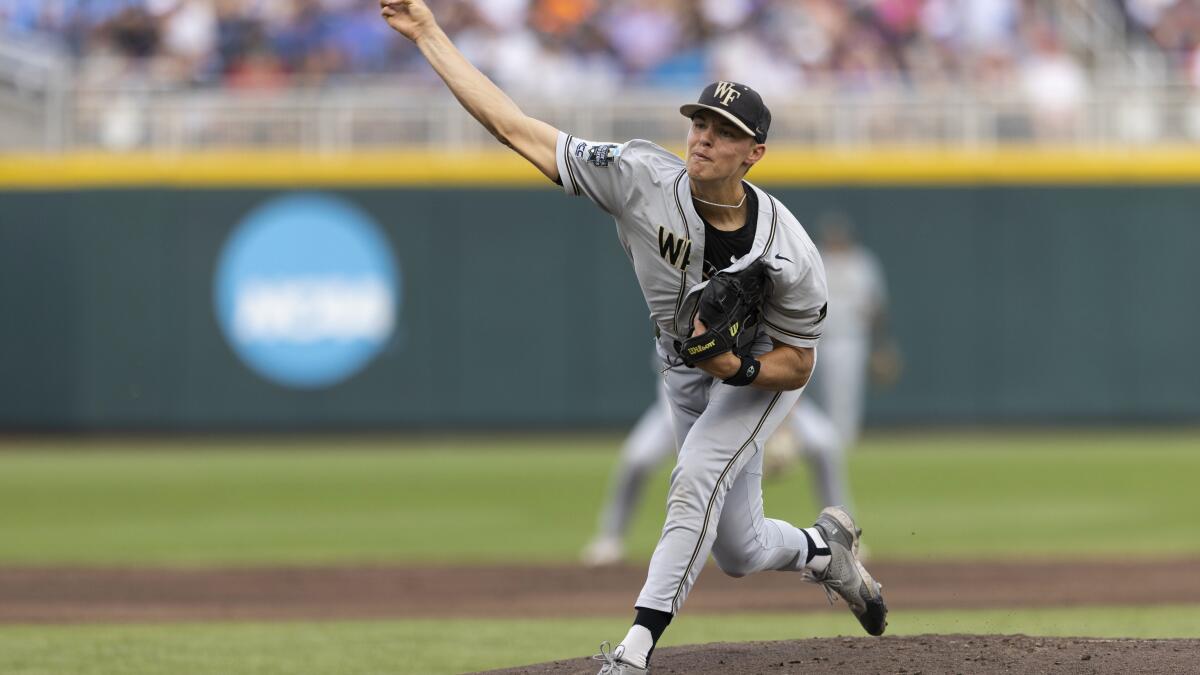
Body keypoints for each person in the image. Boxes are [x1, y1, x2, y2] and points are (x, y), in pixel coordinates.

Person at [379, 3, 887, 672]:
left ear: (754, 153)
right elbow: (513, 127)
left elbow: (796, 365)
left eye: (725, 130)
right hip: (678, 366)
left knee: (694, 477)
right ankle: (827, 552)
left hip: (752, 375)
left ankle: (633, 649)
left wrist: (736, 369)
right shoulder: (639, 176)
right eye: (700, 121)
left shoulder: (790, 254)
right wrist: (427, 33)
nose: (704, 136)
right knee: (737, 549)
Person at [582, 368, 856, 567]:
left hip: (757, 400)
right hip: (685, 407)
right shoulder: (672, 315)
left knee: (824, 445)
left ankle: (846, 536)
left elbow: (793, 365)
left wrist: (783, 423)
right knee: (637, 459)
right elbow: (671, 384)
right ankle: (610, 539)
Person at [807, 211, 900, 451]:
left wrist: (881, 344)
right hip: (817, 339)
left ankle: (842, 442)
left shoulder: (863, 263)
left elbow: (876, 305)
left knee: (846, 393)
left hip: (851, 339)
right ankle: (823, 439)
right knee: (818, 394)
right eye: (832, 235)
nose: (836, 239)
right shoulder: (817, 258)